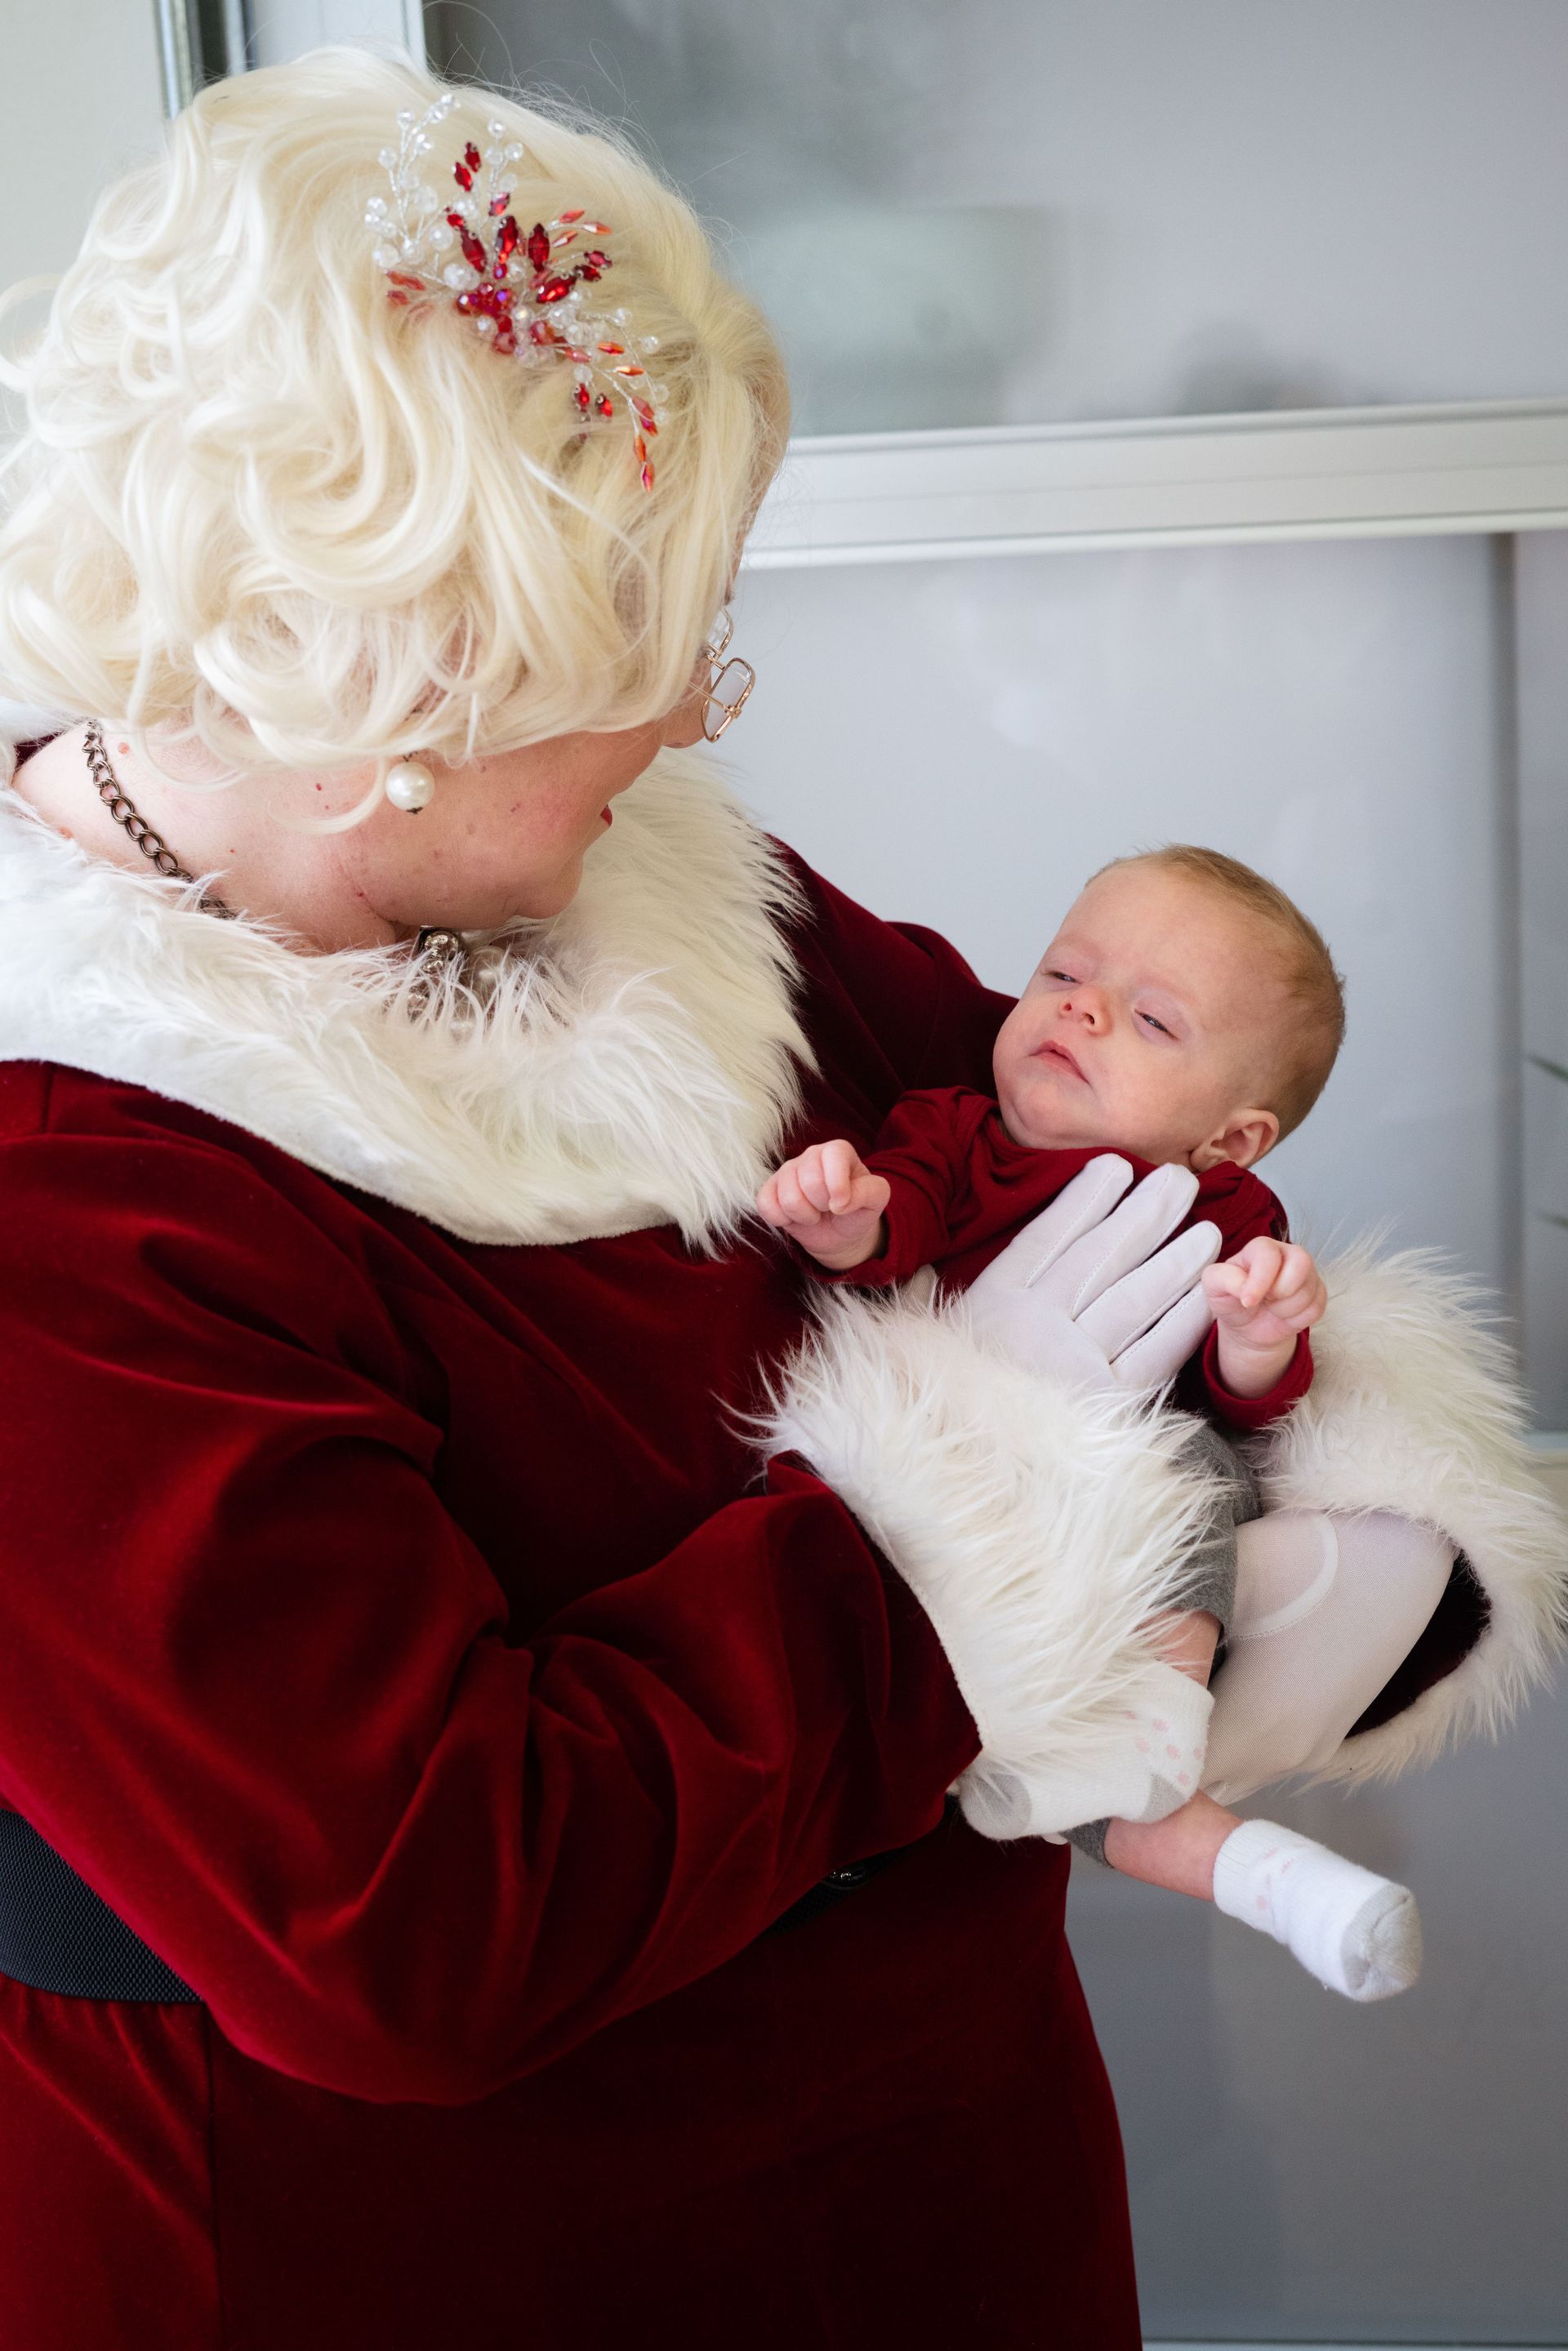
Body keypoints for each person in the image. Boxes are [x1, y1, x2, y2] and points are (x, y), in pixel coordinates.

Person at [0, 47, 1558, 2351]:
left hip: (939, 2173)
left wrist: (1341, 1484)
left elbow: (1092, 1170)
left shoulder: (661, 896)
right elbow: (418, 1922)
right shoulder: (71, 1183)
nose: (696, 722)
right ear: (397, 705)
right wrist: (970, 1490)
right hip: (444, 2262)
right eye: (652, 656)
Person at [760, 844, 1426, 2001]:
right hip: (956, 1501)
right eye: (1064, 974)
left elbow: (1251, 1402)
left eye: (1152, 1020)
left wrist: (1260, 1331)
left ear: (1230, 1139)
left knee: (1193, 1469)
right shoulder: (954, 1129)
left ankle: (1187, 1749)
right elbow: (892, 1235)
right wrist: (846, 1215)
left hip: (1113, 1534)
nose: (1082, 1009)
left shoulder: (1229, 1211)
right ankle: (1223, 1841)